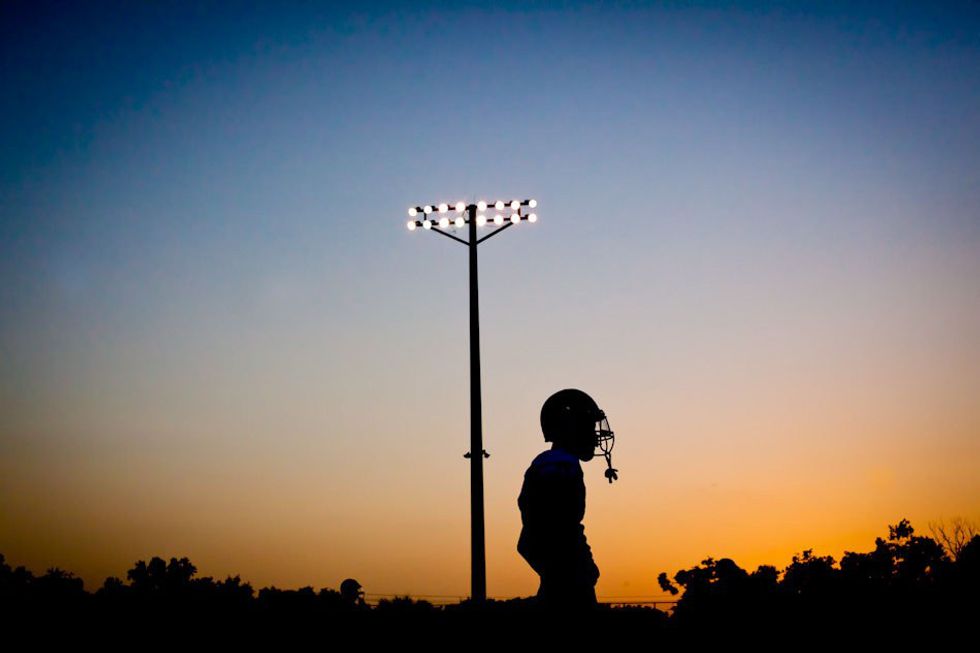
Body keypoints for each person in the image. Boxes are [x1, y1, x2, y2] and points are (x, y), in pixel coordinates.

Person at [517, 388, 607, 612]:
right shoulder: (560, 466)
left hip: (562, 571)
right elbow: (560, 526)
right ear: (571, 427)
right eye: (588, 426)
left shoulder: (553, 463)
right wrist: (578, 565)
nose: (594, 435)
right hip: (566, 576)